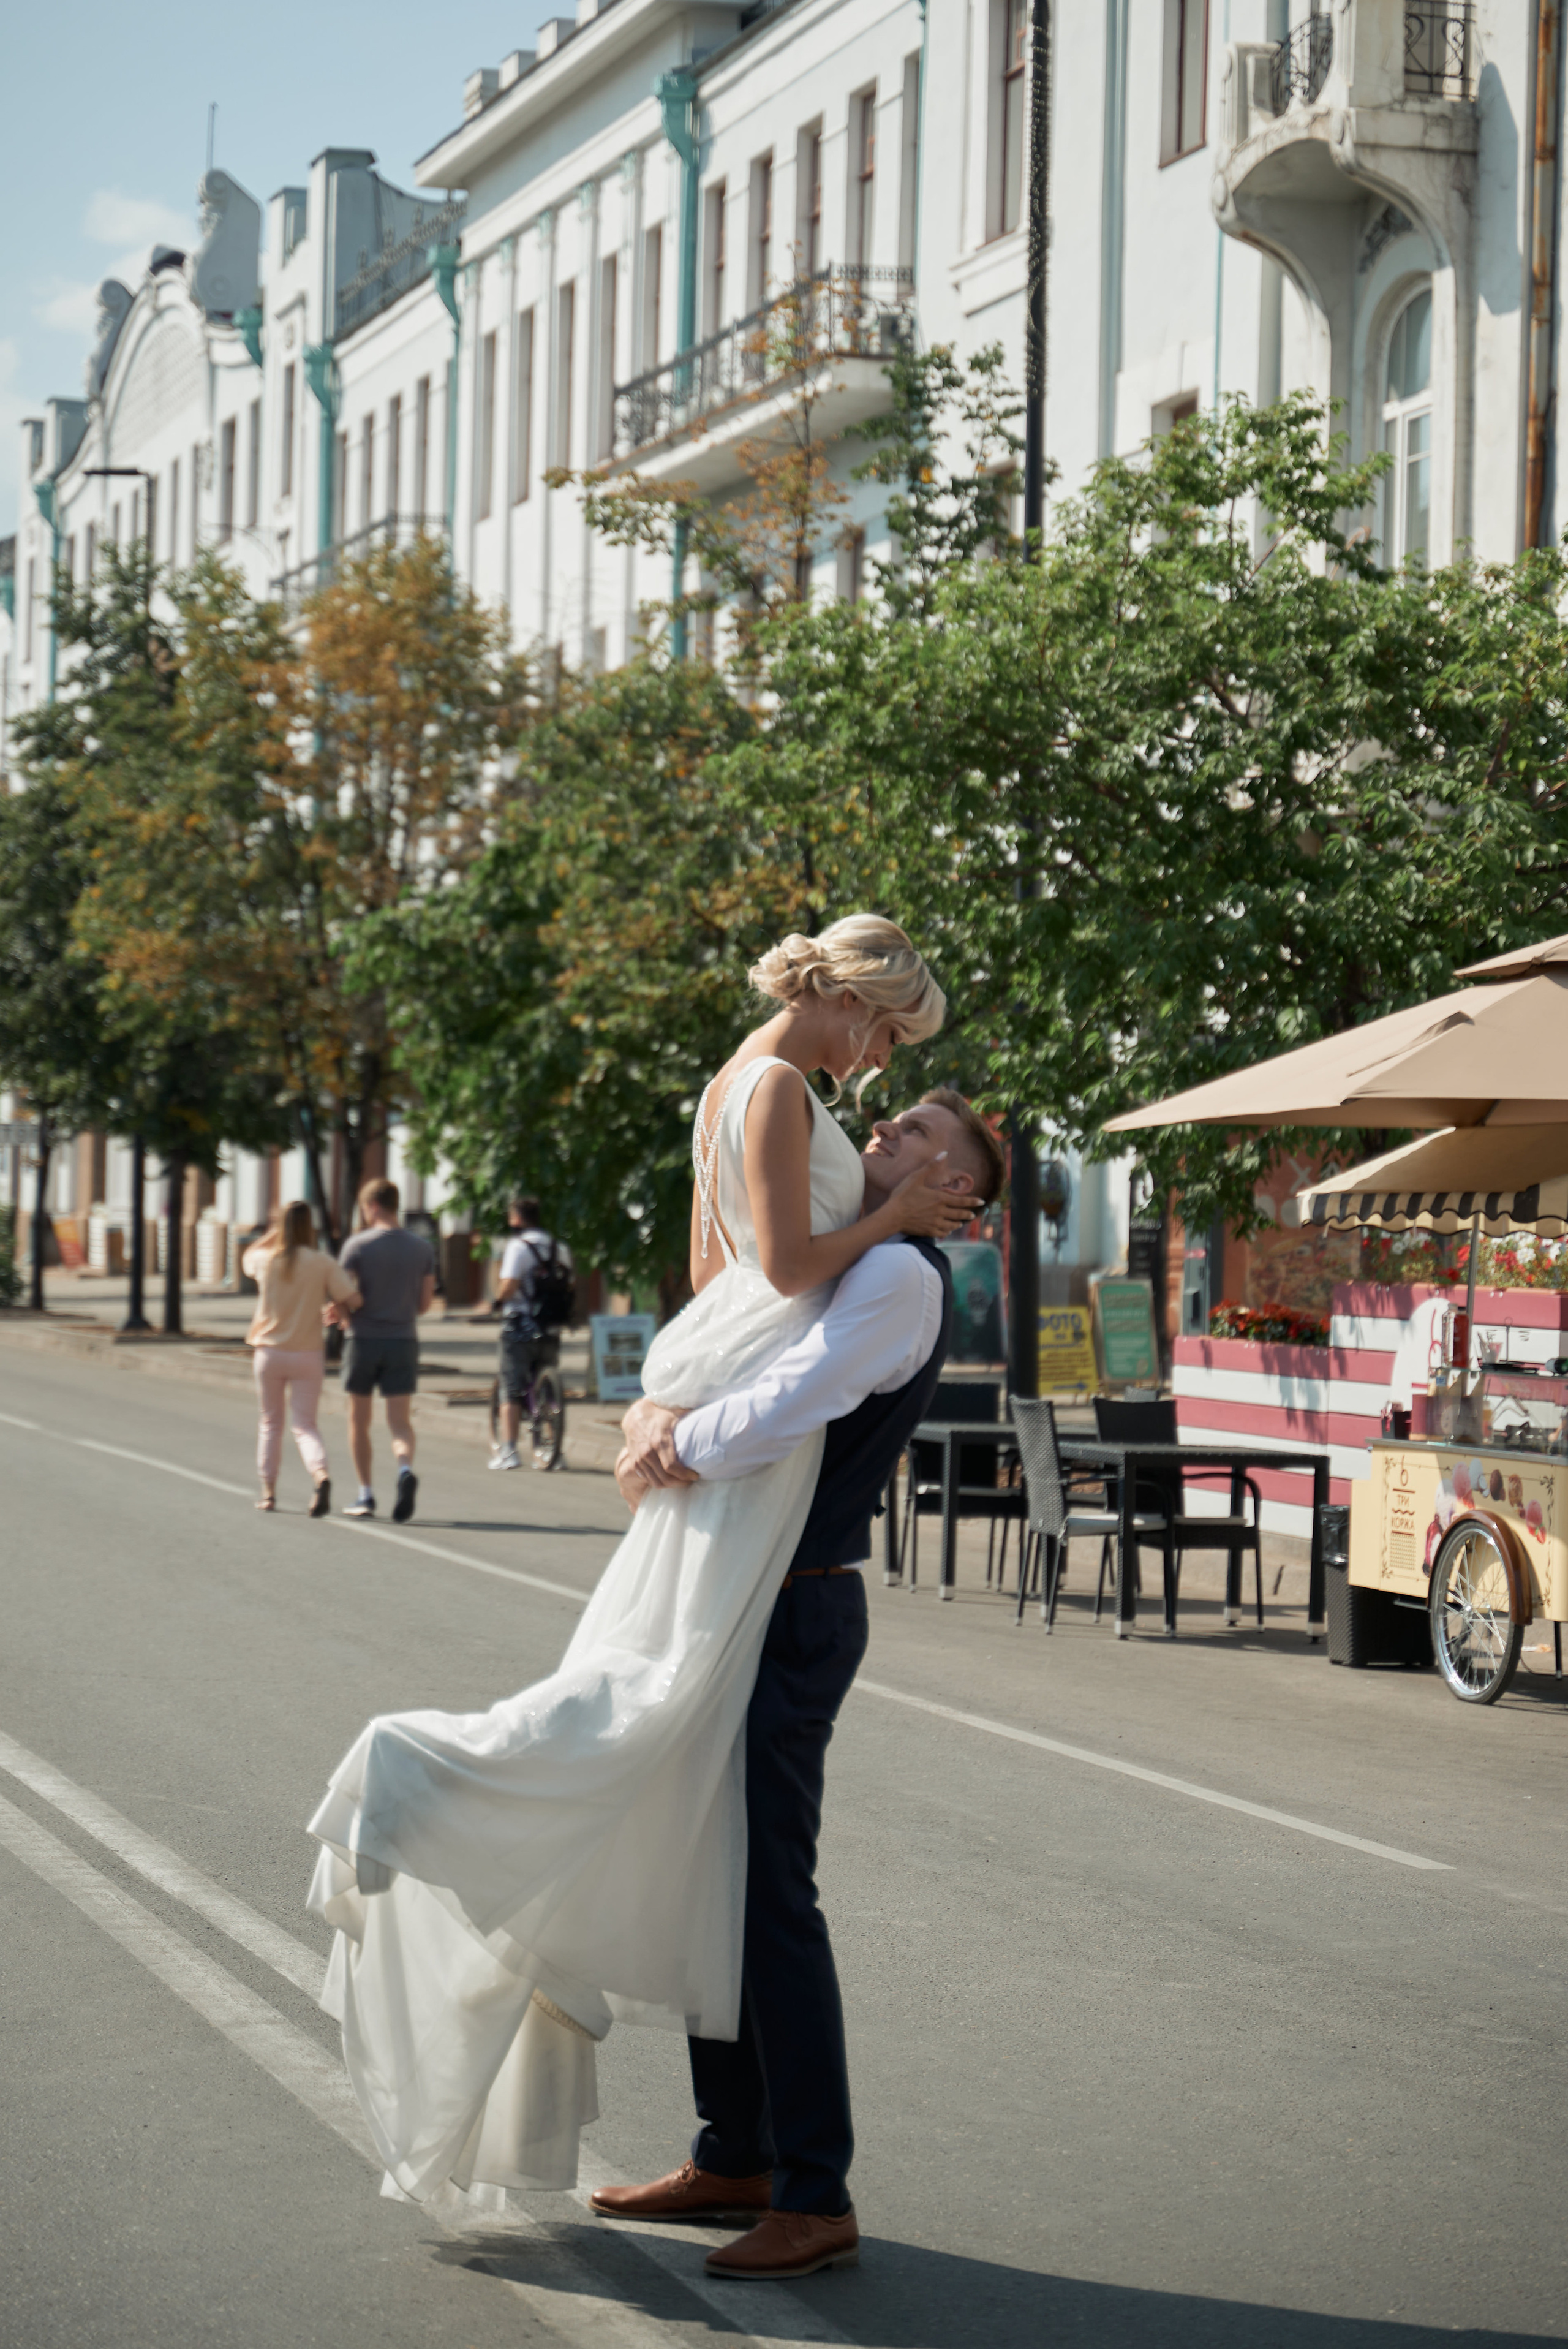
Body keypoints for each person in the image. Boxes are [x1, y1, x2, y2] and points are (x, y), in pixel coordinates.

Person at [304, 917, 981, 2218]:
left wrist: (671, 1405)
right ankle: (765, 2168)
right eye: (885, 1032)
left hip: (778, 1530)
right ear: (844, 998)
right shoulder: (788, 1092)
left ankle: (763, 2165)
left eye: (901, 1064)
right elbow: (779, 1274)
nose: (881, 1072)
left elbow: (714, 1278)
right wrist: (878, 1219)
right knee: (732, 1860)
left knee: (725, 1855)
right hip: (757, 1518)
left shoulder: (733, 1084)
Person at [595, 1088, 1005, 2279]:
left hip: (796, 1602)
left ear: (956, 1190)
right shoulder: (851, 1255)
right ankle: (735, 2152)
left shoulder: (901, 1280)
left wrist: (677, 1445)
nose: (890, 1129)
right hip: (755, 1590)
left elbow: (802, 1396)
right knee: (714, 1878)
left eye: (926, 1134)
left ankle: (813, 2190)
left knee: (771, 1895)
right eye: (896, 1118)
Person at [243, 1201, 363, 1516]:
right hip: (308, 1353)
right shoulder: (322, 1263)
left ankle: (268, 1493)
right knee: (305, 1425)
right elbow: (353, 1298)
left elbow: (245, 1258)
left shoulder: (266, 1260)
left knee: (270, 1422)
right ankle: (320, 1476)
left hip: (269, 1352)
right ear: (311, 1227)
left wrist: (272, 1233)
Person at [333, 1178, 437, 1524]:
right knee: (399, 1422)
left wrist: (345, 1319)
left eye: (364, 1209)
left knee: (358, 1421)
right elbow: (424, 1305)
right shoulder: (422, 1249)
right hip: (404, 1340)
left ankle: (365, 1494)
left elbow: (344, 1294)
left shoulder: (357, 1247)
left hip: (363, 1340)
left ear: (373, 1206)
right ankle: (404, 1469)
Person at [490, 1195, 575, 1472]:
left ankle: (509, 1451)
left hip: (519, 1326)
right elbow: (570, 1283)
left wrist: (497, 1302)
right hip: (550, 1327)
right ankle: (554, 1452)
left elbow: (510, 1284)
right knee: (546, 1384)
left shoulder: (517, 1247)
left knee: (511, 1387)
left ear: (516, 1219)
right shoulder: (558, 1247)